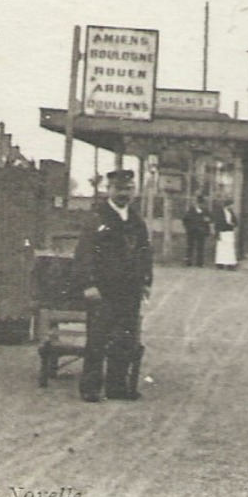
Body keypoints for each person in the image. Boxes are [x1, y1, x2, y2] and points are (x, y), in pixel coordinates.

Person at [72, 169, 153, 402]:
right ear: (109, 189)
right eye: (119, 189)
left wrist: (146, 281)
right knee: (97, 339)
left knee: (125, 340)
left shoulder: (136, 221)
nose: (124, 193)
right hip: (103, 290)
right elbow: (84, 254)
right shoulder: (97, 218)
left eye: (128, 189)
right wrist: (88, 284)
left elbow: (145, 253)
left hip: (130, 290)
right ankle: (90, 388)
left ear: (134, 191)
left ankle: (117, 387)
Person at [181, 201, 211, 267]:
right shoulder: (191, 211)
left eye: (202, 203)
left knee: (201, 247)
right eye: (199, 203)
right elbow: (185, 220)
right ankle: (188, 262)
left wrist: (207, 222)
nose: (200, 205)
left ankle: (200, 263)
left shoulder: (205, 211)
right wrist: (189, 228)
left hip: (201, 231)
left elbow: (209, 219)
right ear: (196, 203)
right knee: (190, 246)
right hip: (192, 231)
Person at [213, 198, 239, 270]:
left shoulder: (231, 212)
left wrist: (233, 224)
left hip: (229, 231)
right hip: (222, 231)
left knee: (229, 248)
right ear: (228, 205)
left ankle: (230, 264)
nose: (232, 206)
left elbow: (236, 222)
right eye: (231, 205)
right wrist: (217, 233)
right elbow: (217, 223)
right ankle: (220, 263)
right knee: (221, 248)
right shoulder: (220, 212)